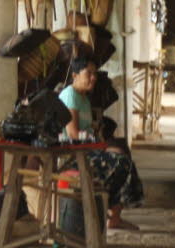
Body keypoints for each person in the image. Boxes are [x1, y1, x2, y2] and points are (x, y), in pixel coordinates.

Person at [58, 58, 144, 231]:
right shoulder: (70, 96)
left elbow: (89, 131)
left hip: (86, 151)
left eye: (94, 73)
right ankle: (112, 216)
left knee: (123, 157)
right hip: (73, 157)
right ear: (74, 75)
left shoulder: (83, 98)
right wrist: (100, 146)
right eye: (88, 73)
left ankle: (113, 215)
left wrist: (101, 144)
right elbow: (74, 134)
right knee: (121, 162)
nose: (93, 78)